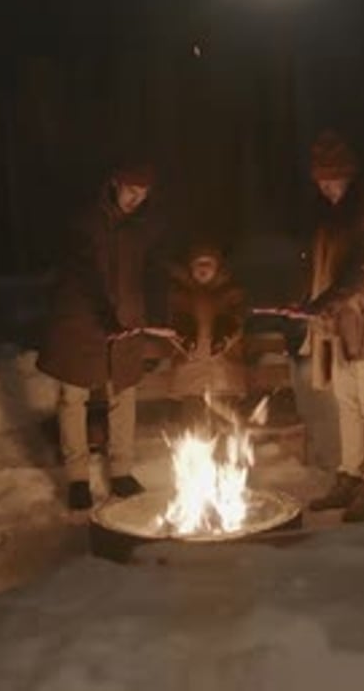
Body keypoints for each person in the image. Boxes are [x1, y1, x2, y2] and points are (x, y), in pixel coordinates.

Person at [287, 131, 364, 522]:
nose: (326, 188)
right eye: (320, 182)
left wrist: (325, 302)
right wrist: (308, 301)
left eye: (332, 180)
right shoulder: (335, 215)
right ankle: (351, 475)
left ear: (349, 176)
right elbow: (325, 266)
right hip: (342, 324)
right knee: (349, 403)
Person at [37, 162, 170, 511]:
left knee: (123, 394)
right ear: (114, 184)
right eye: (130, 191)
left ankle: (122, 471)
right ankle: (78, 478)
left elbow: (152, 273)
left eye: (142, 194)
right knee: (73, 398)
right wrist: (105, 316)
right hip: (80, 323)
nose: (135, 199)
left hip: (124, 321)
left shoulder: (140, 228)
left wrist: (155, 316)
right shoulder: (85, 222)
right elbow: (83, 275)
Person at [167, 244, 247, 424]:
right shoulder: (180, 293)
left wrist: (224, 339)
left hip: (225, 376)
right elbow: (172, 327)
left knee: (226, 430)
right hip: (189, 377)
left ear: (217, 266)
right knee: (194, 428)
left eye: (208, 263)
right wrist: (184, 340)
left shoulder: (231, 292)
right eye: (198, 263)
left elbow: (237, 322)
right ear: (190, 267)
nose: (203, 268)